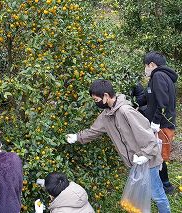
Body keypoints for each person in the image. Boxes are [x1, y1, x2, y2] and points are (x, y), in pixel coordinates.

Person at [66, 79, 171, 213]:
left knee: (157, 194)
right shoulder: (106, 115)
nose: (95, 102)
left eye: (95, 99)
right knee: (144, 193)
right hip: (134, 163)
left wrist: (145, 156)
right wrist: (77, 137)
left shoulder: (126, 112)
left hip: (148, 161)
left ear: (105, 96)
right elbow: (94, 130)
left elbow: (148, 136)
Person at [132, 51, 178, 194]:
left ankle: (166, 186)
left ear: (151, 64)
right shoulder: (159, 77)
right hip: (162, 124)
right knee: (157, 156)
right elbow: (151, 99)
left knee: (158, 157)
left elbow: (162, 103)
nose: (145, 69)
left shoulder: (158, 75)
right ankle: (165, 185)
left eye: (145, 66)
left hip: (162, 126)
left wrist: (156, 122)